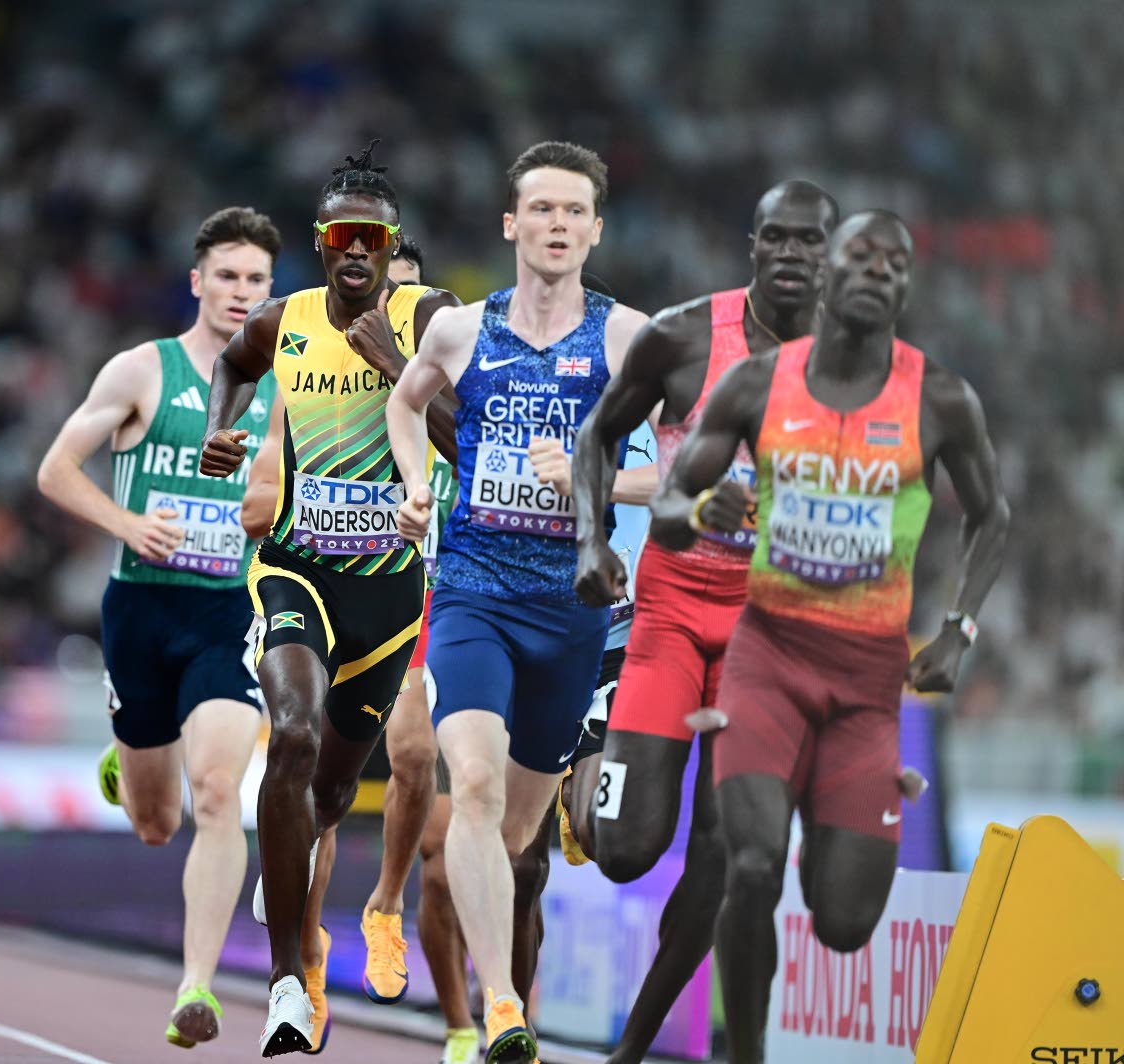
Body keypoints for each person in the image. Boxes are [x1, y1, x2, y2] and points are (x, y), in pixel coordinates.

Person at [648, 210, 1011, 1064]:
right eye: (861, 255)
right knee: (749, 867)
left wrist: (958, 630)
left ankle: (825, 825)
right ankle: (748, 1054)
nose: (878, 271)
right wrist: (700, 509)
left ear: (906, 286)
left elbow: (992, 516)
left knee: (844, 922)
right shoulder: (757, 385)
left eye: (896, 262)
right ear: (830, 273)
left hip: (865, 683)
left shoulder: (940, 399)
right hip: (767, 661)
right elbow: (668, 507)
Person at [386, 140, 650, 1064]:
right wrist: (415, 486)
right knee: (473, 782)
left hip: (571, 612)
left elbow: (687, 466)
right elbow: (405, 404)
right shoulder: (460, 332)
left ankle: (496, 980)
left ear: (595, 230)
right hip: (473, 596)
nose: (557, 225)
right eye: (542, 208)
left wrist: (593, 476)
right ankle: (502, 1007)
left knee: (514, 832)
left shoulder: (628, 340)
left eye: (574, 211)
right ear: (512, 224)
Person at [197, 141, 460, 1057]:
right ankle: (286, 988)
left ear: (392, 245)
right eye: (341, 234)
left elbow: (472, 442)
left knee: (335, 791)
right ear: (319, 241)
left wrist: (398, 367)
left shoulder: (431, 317)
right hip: (295, 568)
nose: (356, 250)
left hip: (388, 595)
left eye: (372, 238)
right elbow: (232, 367)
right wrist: (223, 430)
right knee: (295, 734)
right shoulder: (284, 319)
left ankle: (302, 893)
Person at [567, 180, 836, 1062]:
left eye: (810, 241)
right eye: (776, 237)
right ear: (752, 244)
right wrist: (592, 541)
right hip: (674, 614)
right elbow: (596, 438)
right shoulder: (684, 336)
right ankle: (586, 750)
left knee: (727, 856)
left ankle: (632, 1050)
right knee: (623, 851)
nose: (791, 254)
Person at [37, 206, 282, 1048]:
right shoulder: (143, 370)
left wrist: (263, 511)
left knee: (216, 791)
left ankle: (196, 987)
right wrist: (127, 523)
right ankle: (130, 751)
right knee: (156, 823)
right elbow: (56, 469)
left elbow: (282, 496)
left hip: (227, 613)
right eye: (227, 276)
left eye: (256, 279)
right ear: (197, 282)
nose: (241, 291)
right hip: (142, 608)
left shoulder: (283, 388)